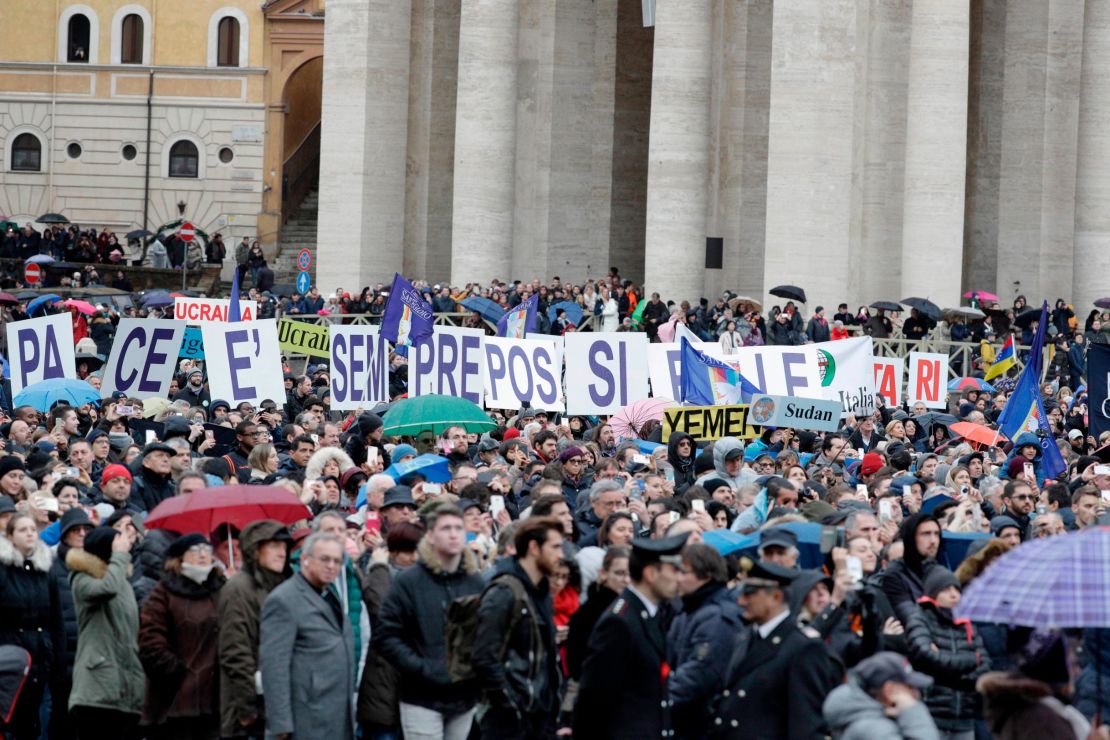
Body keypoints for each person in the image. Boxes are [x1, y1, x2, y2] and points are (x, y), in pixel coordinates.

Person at [376, 504, 485, 740]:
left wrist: (476, 671)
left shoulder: (475, 582)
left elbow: (487, 632)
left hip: (464, 695)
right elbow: (387, 635)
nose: (454, 534)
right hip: (421, 695)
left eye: (458, 527)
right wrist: (422, 668)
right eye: (446, 528)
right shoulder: (410, 581)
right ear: (431, 536)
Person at [573, 532, 690, 740]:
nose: (680, 578)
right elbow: (594, 697)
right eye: (674, 570)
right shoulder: (619, 622)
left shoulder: (650, 613)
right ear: (651, 574)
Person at [709, 559, 837, 739]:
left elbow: (806, 725)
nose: (741, 600)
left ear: (776, 597)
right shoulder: (745, 638)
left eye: (749, 593)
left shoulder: (803, 648)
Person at [472, 517, 563, 739]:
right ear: (533, 547)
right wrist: (512, 705)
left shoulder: (540, 591)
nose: (561, 555)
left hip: (539, 718)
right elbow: (484, 658)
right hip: (507, 724)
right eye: (555, 547)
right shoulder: (504, 592)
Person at [260, 532, 356, 740]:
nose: (331, 566)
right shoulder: (283, 600)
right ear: (305, 559)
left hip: (336, 714)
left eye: (337, 561)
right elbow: (274, 665)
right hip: (305, 716)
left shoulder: (330, 594)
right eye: (324, 559)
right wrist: (280, 723)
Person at [138, 534, 225, 740]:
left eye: (206, 549)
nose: (203, 554)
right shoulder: (164, 592)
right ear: (180, 557)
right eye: (195, 550)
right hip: (177, 702)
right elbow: (150, 642)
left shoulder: (220, 588)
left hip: (216, 700)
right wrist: (179, 673)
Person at [67, 526, 144, 739]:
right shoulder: (81, 579)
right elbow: (107, 589)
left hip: (126, 692)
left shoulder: (124, 584)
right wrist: (119, 556)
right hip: (96, 692)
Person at [217, 520, 292, 739]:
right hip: (250, 713)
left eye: (284, 546)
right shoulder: (238, 589)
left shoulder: (281, 586)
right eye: (274, 546)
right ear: (255, 549)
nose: (282, 553)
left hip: (277, 707)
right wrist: (247, 709)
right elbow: (235, 652)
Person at [667, 544, 744, 740]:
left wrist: (657, 700)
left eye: (684, 572)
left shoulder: (718, 618)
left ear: (706, 575)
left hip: (703, 727)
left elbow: (699, 675)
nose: (678, 578)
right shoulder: (688, 610)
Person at [904, 568, 990, 740]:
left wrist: (942, 672)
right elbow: (925, 656)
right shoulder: (919, 618)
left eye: (956, 589)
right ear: (933, 593)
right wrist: (971, 660)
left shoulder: (967, 623)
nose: (954, 595)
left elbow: (985, 666)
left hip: (964, 716)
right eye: (946, 589)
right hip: (931, 714)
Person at [0, 512, 62, 740]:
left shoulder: (45, 570)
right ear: (10, 536)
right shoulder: (3, 569)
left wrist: (56, 655)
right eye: (22, 530)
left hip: (40, 657)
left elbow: (55, 619)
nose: (29, 534)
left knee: (32, 723)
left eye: (33, 530)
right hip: (9, 659)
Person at [822, 651, 940, 740]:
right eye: (910, 687)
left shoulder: (865, 718)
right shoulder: (874, 730)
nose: (916, 693)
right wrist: (912, 711)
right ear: (889, 690)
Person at [881, 513, 942, 624]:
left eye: (936, 534)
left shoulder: (940, 572)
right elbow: (910, 616)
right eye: (926, 534)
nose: (933, 540)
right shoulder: (895, 574)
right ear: (911, 537)